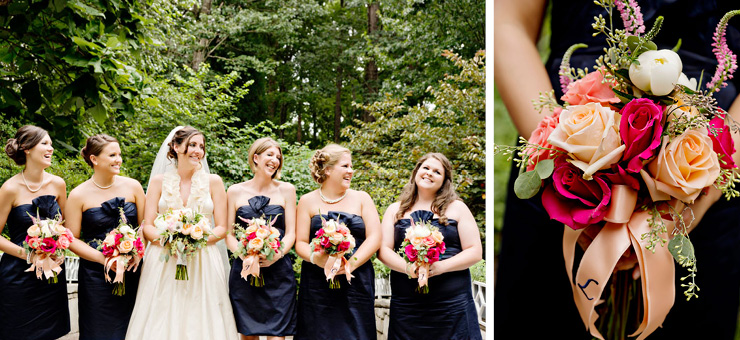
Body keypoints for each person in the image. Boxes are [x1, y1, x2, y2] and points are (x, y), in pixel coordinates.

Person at [494, 1, 740, 338]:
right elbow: (508, 22)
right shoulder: (561, 156)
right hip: (562, 166)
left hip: (707, 171)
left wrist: (698, 191)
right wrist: (566, 150)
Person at [125, 126, 238, 340]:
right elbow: (147, 225)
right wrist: (170, 241)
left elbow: (222, 227)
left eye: (201, 146)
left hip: (203, 258)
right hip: (163, 258)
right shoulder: (159, 181)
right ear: (176, 147)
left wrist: (196, 241)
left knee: (201, 313)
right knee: (162, 311)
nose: (198, 151)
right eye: (192, 145)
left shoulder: (214, 182)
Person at [377, 152, 482, 340]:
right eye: (425, 168)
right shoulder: (395, 209)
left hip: (452, 304)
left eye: (437, 172)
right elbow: (383, 250)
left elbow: (475, 251)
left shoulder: (457, 208)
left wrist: (441, 267)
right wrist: (409, 268)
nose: (429, 173)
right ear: (416, 171)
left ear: (445, 180)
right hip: (408, 305)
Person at [293, 144, 381, 340]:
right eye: (345, 166)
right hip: (317, 282)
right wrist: (317, 259)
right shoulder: (307, 201)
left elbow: (375, 237)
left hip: (356, 280)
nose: (351, 171)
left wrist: (351, 263)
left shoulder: (362, 199)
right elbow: (300, 242)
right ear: (328, 170)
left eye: (351, 166)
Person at [64, 134, 146, 340]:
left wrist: (137, 252)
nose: (118, 159)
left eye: (119, 154)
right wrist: (104, 260)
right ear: (94, 159)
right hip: (95, 275)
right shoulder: (77, 195)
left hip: (132, 269)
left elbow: (145, 226)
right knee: (99, 331)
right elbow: (71, 239)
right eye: (112, 155)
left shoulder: (133, 187)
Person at [0, 125, 70, 339]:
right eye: (44, 143)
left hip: (52, 276)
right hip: (18, 276)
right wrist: (29, 255)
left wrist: (60, 245)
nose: (51, 148)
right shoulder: (10, 189)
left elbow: (66, 227)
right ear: (26, 148)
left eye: (51, 144)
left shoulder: (58, 184)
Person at [226, 137, 298, 339]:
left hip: (279, 272)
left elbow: (291, 232)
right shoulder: (234, 191)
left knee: (278, 335)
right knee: (248, 335)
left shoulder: (287, 190)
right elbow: (228, 234)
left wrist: (277, 254)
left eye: (278, 156)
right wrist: (245, 255)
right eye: (270, 155)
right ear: (256, 158)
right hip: (245, 271)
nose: (275, 160)